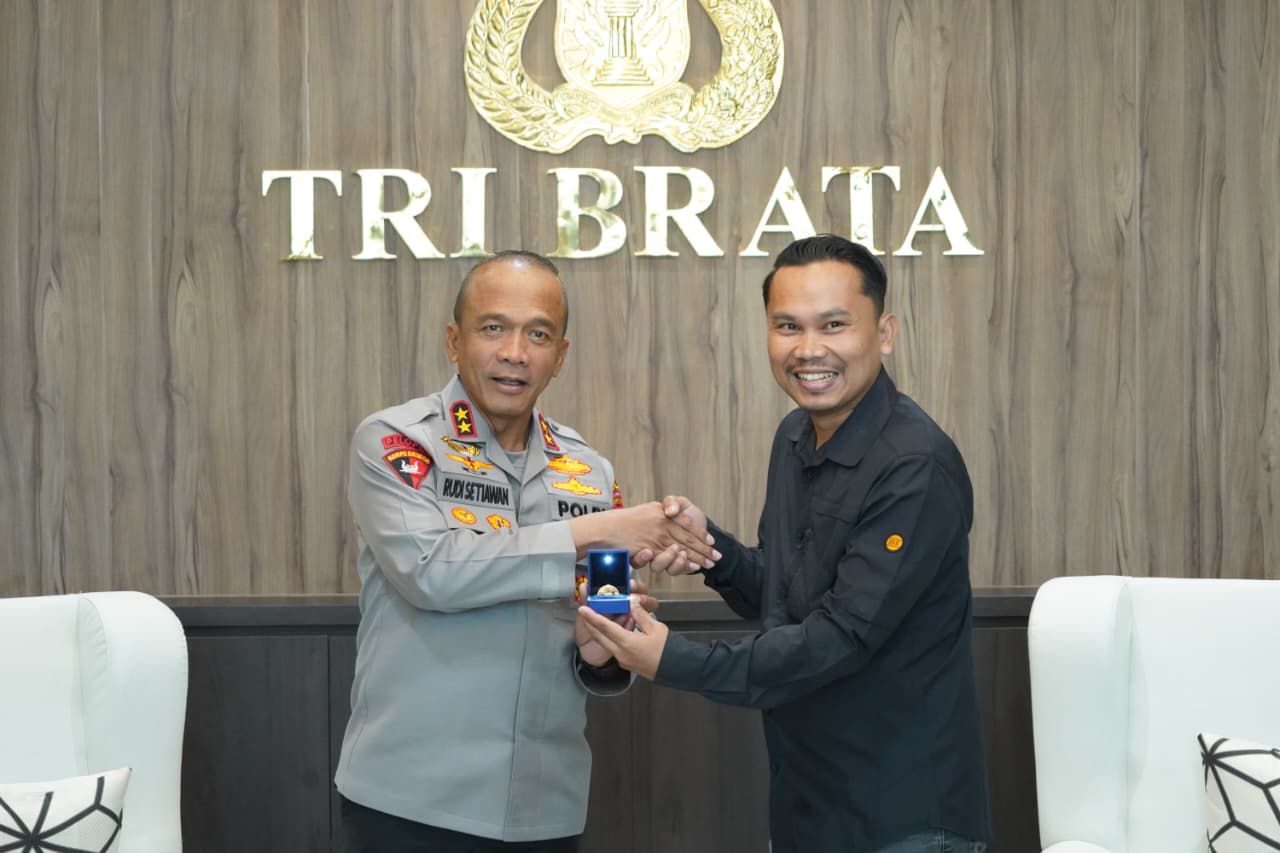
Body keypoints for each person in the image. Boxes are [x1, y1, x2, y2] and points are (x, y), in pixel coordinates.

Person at [577, 235, 991, 853]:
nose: (808, 349)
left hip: (902, 818)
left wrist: (671, 658)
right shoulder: (796, 434)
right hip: (807, 806)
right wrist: (709, 548)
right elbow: (786, 596)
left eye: (834, 325)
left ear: (884, 333)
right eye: (788, 326)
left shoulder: (915, 465)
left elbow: (838, 638)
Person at [335, 250, 718, 852]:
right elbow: (431, 573)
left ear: (559, 356)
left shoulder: (589, 472)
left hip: (544, 805)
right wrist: (594, 533)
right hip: (410, 800)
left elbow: (603, 616)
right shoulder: (397, 441)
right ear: (454, 341)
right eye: (493, 328)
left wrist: (603, 650)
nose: (515, 352)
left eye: (538, 335)